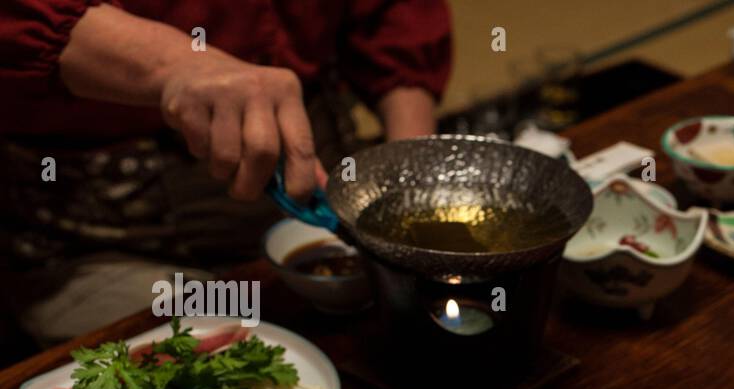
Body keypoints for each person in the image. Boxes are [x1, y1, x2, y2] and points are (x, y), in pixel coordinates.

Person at [0, 0, 453, 344]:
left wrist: (409, 177)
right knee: (231, 366)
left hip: (319, 183)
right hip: (104, 240)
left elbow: (397, 15)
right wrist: (175, 65)